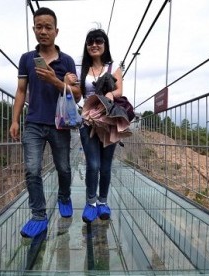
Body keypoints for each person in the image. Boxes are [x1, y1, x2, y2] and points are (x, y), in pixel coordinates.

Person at [9, 7, 81, 238]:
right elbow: (21, 91)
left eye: (48, 27)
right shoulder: (27, 59)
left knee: (64, 168)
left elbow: (77, 95)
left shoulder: (67, 60)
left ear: (56, 31)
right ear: (33, 29)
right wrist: (15, 120)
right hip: (33, 123)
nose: (43, 31)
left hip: (60, 124)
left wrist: (55, 80)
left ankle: (64, 196)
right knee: (32, 170)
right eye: (39, 27)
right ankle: (39, 215)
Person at [75, 28, 123, 223]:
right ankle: (91, 202)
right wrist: (66, 83)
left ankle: (103, 202)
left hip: (108, 121)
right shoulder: (82, 70)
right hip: (88, 121)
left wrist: (111, 95)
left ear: (105, 44)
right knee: (93, 164)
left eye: (98, 41)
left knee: (105, 165)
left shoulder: (114, 67)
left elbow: (120, 90)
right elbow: (78, 95)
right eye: (90, 42)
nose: (94, 45)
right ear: (86, 46)